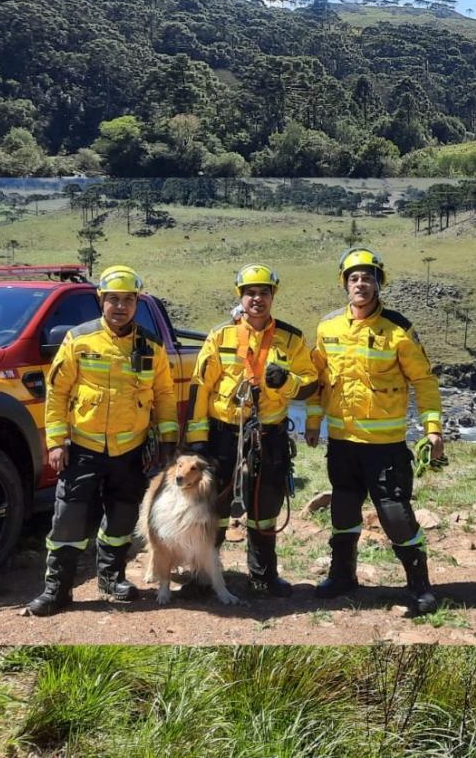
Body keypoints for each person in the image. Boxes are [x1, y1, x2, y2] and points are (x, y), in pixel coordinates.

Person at [26, 265, 178, 616]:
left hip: (131, 451)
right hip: (82, 448)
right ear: (101, 301)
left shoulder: (150, 347)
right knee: (68, 520)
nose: (120, 306)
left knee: (123, 517)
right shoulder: (79, 339)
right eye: (113, 300)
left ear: (137, 302)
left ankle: (111, 578)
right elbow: (58, 393)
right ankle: (57, 591)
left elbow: (165, 394)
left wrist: (168, 439)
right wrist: (56, 441)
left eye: (128, 300)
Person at [306, 248, 444, 614]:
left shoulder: (398, 328)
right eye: (354, 278)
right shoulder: (328, 327)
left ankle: (419, 586)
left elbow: (424, 381)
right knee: (344, 510)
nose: (361, 284)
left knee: (395, 515)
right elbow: (320, 381)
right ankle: (342, 576)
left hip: (385, 445)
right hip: (342, 443)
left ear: (378, 283)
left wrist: (433, 429)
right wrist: (313, 421)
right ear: (345, 285)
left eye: (368, 278)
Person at [185, 263, 317, 598]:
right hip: (222, 432)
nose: (257, 299)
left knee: (265, 505)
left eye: (263, 293)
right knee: (213, 507)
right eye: (250, 293)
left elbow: (311, 384)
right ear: (240, 297)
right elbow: (201, 387)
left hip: (268, 434)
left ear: (273, 296)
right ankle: (204, 576)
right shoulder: (221, 336)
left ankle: (263, 577)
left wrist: (287, 381)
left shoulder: (291, 338)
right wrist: (198, 440)